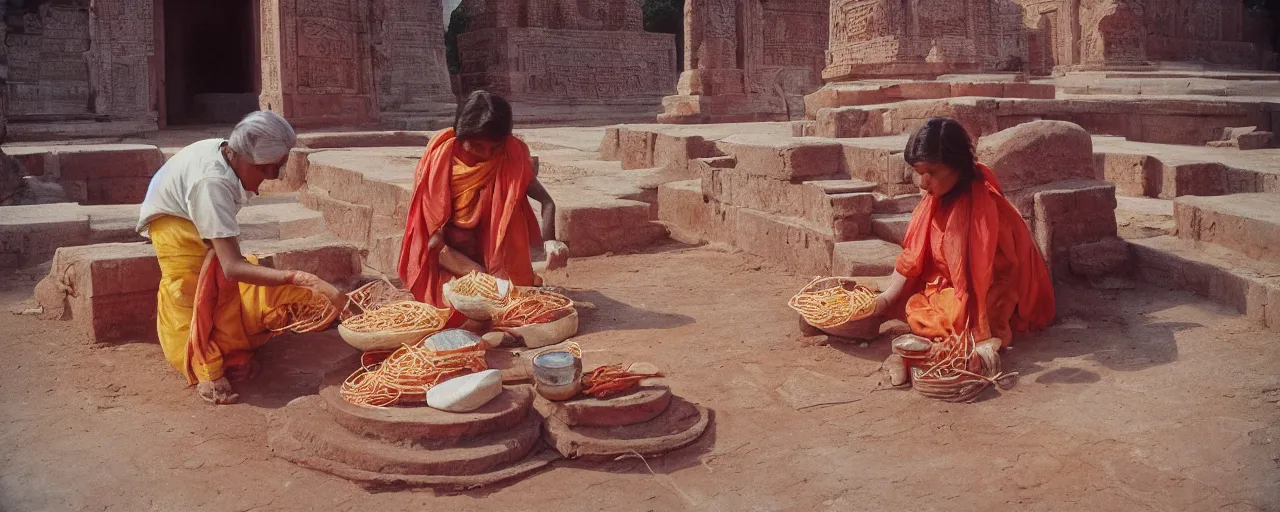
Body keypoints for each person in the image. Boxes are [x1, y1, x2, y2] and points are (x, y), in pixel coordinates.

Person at [137, 111, 345, 405]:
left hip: (196, 215)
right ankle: (204, 368)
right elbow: (234, 267)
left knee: (224, 291)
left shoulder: (228, 155)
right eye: (269, 170)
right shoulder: (212, 183)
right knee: (188, 295)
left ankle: (230, 346)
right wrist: (302, 278)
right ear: (247, 160)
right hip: (173, 226)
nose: (271, 179)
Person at [866, 118, 1056, 385]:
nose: (922, 183)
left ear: (956, 166)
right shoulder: (935, 198)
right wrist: (885, 300)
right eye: (919, 172)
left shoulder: (984, 208)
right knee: (916, 307)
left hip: (993, 290)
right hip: (951, 284)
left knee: (947, 320)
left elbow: (985, 278)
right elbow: (913, 256)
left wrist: (969, 327)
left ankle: (931, 355)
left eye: (930, 172)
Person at [398, 90, 568, 318]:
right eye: (477, 146)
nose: (486, 154)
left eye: (494, 147)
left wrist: (551, 241)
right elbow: (433, 242)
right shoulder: (440, 162)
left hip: (499, 256)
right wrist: (479, 274)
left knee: (518, 311)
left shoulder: (511, 155)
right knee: (453, 313)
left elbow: (547, 201)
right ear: (461, 138)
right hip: (452, 258)